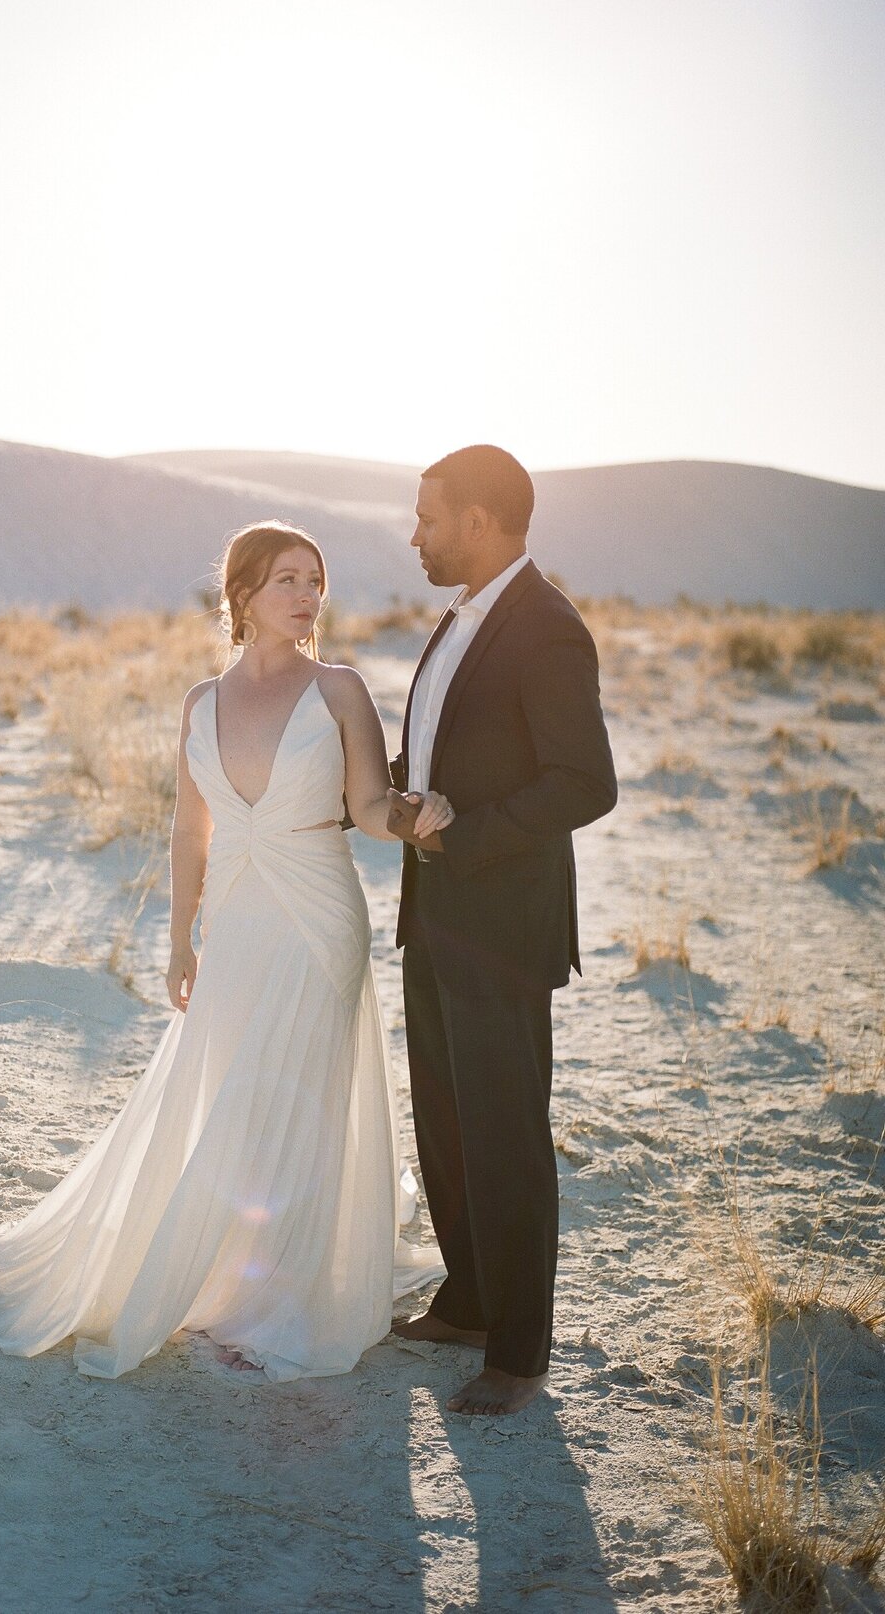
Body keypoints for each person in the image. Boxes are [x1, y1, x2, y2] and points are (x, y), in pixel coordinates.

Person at [0, 521, 446, 1382]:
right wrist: (180, 935)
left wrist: (416, 817)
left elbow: (368, 808)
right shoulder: (200, 701)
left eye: (315, 581)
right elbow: (191, 827)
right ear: (244, 595)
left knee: (296, 1093)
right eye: (288, 579)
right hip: (234, 918)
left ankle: (283, 1297)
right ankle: (229, 1271)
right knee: (228, 1085)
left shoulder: (339, 690)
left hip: (316, 914)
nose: (307, 596)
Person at [386, 445, 617, 1417]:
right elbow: (443, 745)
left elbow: (585, 782)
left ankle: (518, 1353)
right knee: (446, 1122)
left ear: (478, 520)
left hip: (504, 924)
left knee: (505, 1135)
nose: (416, 532)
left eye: (429, 516)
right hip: (435, 914)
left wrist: (468, 838)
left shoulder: (547, 629)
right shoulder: (460, 617)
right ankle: (472, 1300)